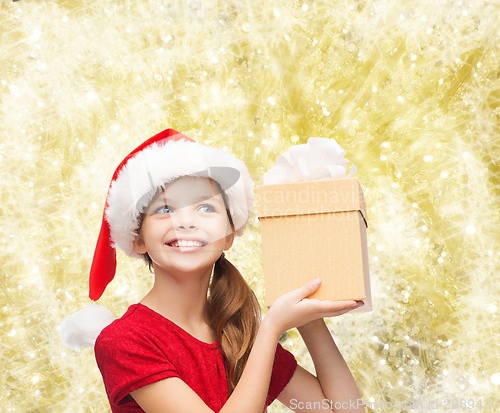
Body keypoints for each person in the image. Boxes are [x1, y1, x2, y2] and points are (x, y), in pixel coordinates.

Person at [63, 128, 365, 413]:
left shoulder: (238, 335)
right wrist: (273, 327)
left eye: (205, 208)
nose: (185, 222)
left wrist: (308, 320)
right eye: (165, 209)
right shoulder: (125, 340)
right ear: (138, 238)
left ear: (229, 234)